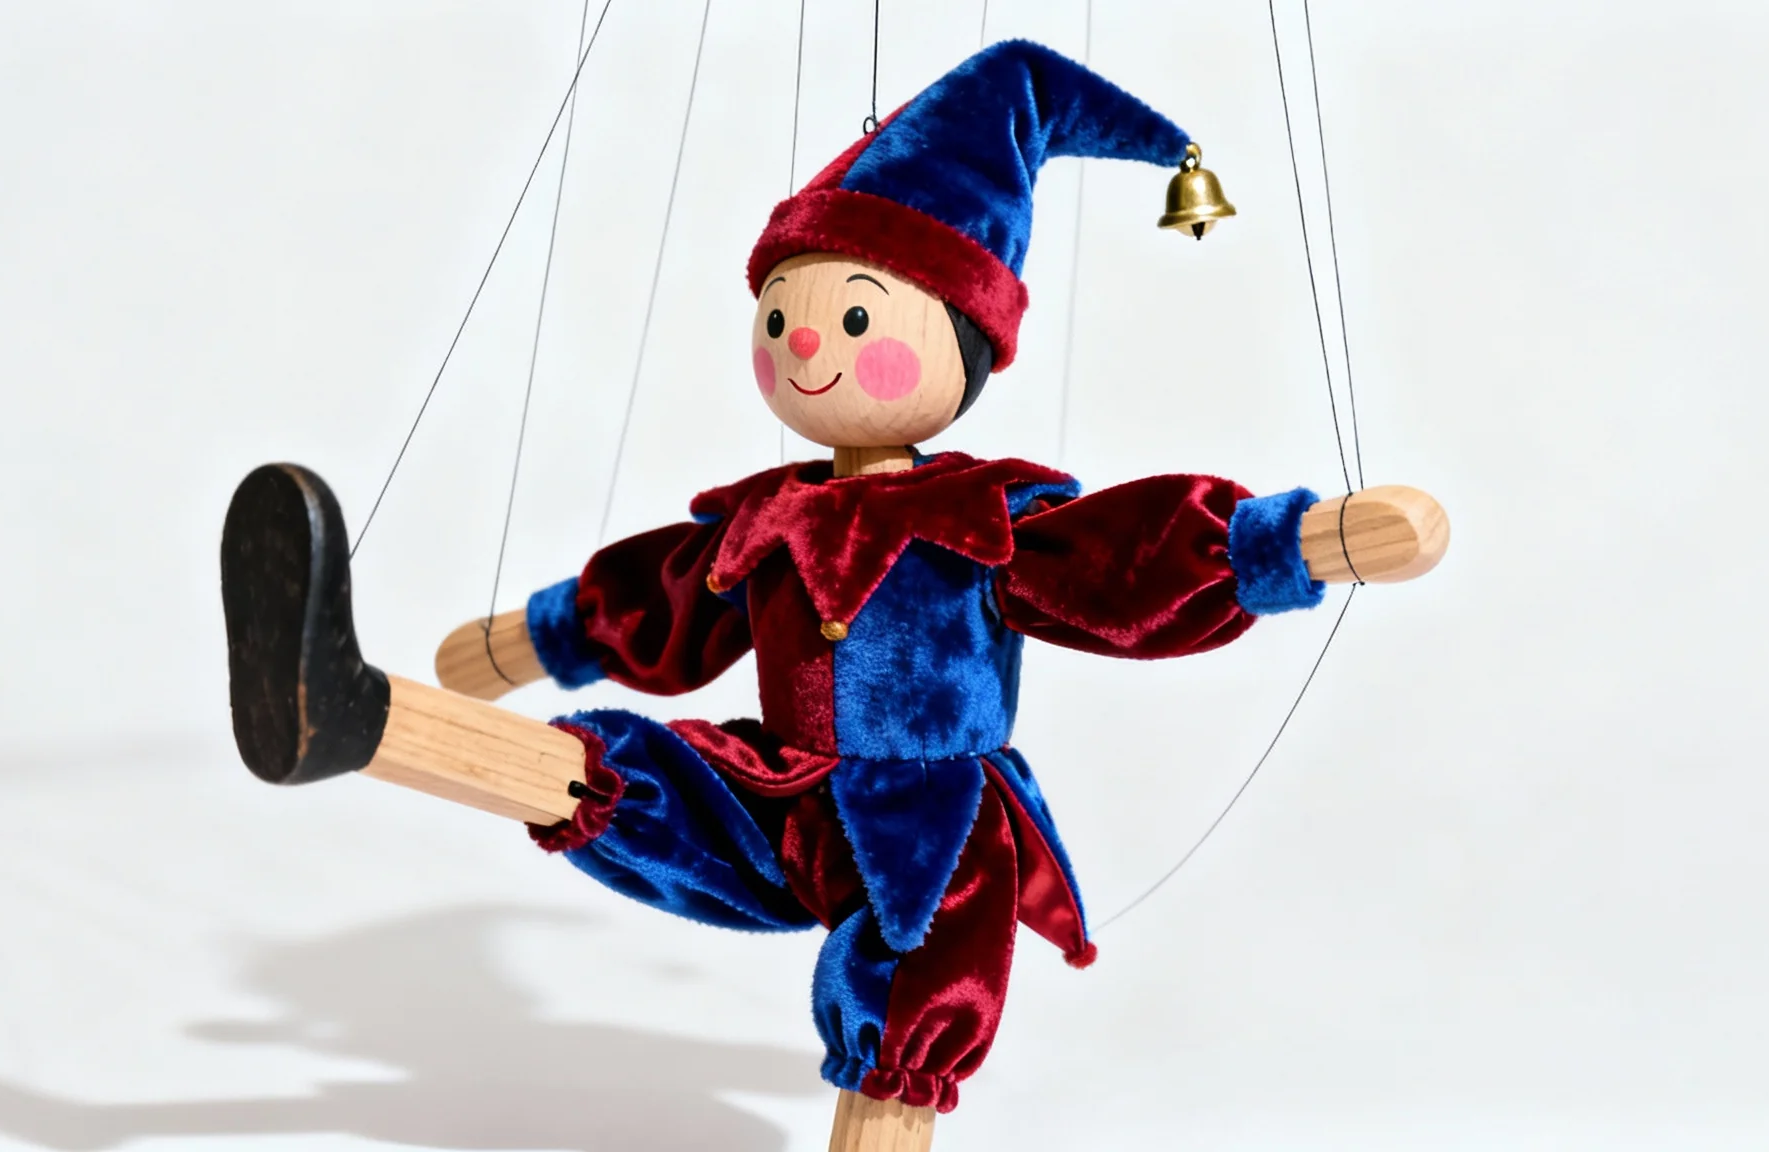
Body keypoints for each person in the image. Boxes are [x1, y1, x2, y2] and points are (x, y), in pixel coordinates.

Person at [220, 40, 1438, 1115]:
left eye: (855, 319)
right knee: (616, 775)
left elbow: (1127, 557)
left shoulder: (983, 515)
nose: (805, 342)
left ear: (963, 343)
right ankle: (351, 713)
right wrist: (524, 639)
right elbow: (658, 599)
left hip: (931, 826)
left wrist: (1301, 540)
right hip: (785, 789)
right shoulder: (770, 514)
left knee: (906, 1008)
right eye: (781, 315)